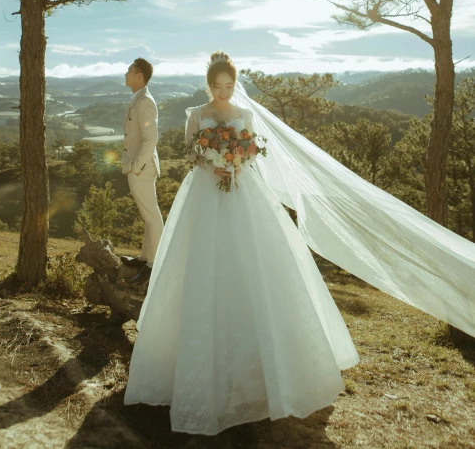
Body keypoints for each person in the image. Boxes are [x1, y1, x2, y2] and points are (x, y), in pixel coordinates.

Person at [124, 51, 475, 436]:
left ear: (233, 85)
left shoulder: (246, 114)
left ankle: (266, 374)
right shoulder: (196, 113)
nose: (223, 93)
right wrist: (213, 162)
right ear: (208, 85)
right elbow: (191, 152)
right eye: (217, 87)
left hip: (243, 192)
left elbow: (252, 153)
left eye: (228, 86)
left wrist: (237, 163)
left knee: (257, 268)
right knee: (203, 268)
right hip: (206, 195)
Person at [121, 57, 163, 286]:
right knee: (149, 215)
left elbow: (151, 139)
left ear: (139, 76)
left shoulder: (145, 101)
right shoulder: (139, 98)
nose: (125, 73)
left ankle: (154, 264)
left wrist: (136, 167)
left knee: (152, 216)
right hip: (140, 168)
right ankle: (145, 258)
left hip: (142, 169)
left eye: (129, 70)